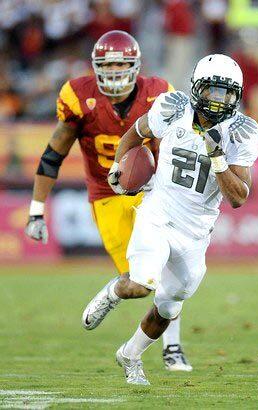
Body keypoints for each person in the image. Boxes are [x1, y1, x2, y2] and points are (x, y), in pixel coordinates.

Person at [24, 30, 194, 371]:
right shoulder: (79, 96)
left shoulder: (158, 93)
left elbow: (180, 142)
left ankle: (173, 347)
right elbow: (52, 155)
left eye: (121, 64)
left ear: (136, 67)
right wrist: (36, 211)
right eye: (108, 65)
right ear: (95, 67)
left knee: (170, 276)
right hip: (107, 195)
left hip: (154, 193)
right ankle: (114, 292)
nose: (115, 72)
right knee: (141, 281)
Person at [105, 54, 258, 385]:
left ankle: (130, 355)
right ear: (196, 89)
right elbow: (135, 134)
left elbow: (238, 197)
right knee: (139, 286)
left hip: (196, 233)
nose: (219, 102)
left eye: (226, 94)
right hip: (158, 213)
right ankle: (112, 293)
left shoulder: (243, 132)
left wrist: (218, 157)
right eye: (212, 92)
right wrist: (117, 167)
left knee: (168, 307)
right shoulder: (173, 107)